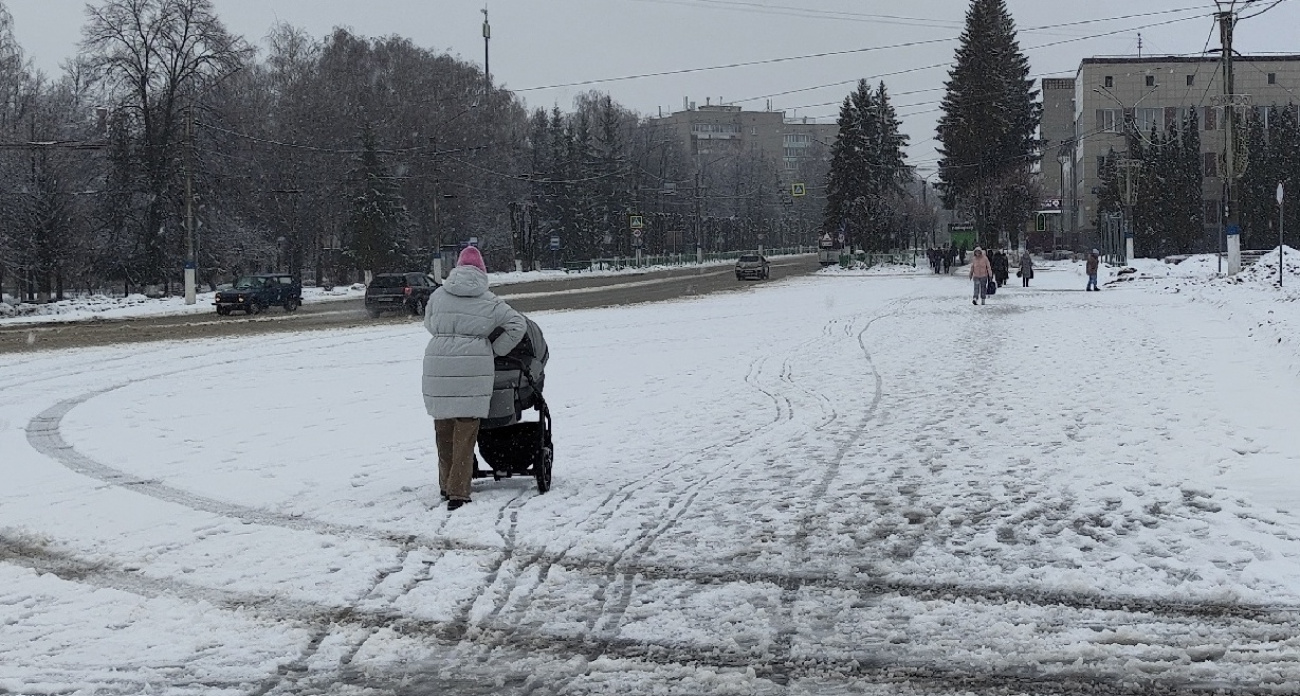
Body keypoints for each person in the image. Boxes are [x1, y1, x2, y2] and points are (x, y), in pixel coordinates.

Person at [422, 246, 527, 511]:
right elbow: (518, 325)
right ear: (481, 272)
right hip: (473, 369)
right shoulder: (489, 300)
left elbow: (428, 323)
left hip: (438, 366)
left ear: (456, 269)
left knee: (443, 431)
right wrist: (494, 349)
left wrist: (446, 336)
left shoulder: (438, 295)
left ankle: (446, 485)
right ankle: (459, 491)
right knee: (465, 432)